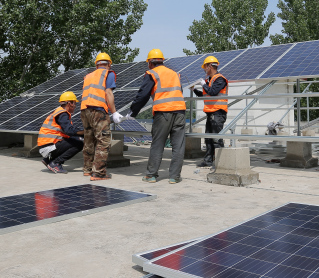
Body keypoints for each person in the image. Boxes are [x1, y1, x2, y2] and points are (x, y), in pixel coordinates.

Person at [129, 48, 186, 184]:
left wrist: (133, 112)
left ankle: (151, 174)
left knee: (158, 144)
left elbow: (143, 95)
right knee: (178, 145)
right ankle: (174, 176)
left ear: (150, 63)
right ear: (162, 61)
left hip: (163, 112)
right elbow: (180, 91)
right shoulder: (174, 74)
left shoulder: (152, 73)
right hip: (180, 112)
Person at [80, 52, 124, 181]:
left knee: (89, 140)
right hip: (98, 109)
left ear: (96, 65)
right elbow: (108, 92)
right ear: (109, 64)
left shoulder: (88, 76)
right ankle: (98, 173)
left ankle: (87, 170)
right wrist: (114, 112)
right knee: (103, 141)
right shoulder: (108, 73)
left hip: (84, 110)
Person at [191, 55, 228, 168]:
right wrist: (194, 90)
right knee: (208, 138)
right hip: (210, 113)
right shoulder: (210, 80)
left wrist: (203, 84)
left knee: (216, 139)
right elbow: (205, 95)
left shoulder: (220, 79)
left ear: (210, 66)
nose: (204, 69)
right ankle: (208, 161)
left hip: (218, 113)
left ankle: (219, 163)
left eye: (205, 66)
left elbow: (212, 92)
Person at [38, 91, 85, 174]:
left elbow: (69, 131)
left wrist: (82, 132)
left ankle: (49, 160)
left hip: (46, 146)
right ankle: (55, 163)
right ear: (69, 103)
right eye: (74, 103)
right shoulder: (62, 114)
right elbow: (69, 131)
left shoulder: (59, 112)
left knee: (74, 138)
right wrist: (86, 132)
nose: (75, 106)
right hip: (49, 147)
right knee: (80, 142)